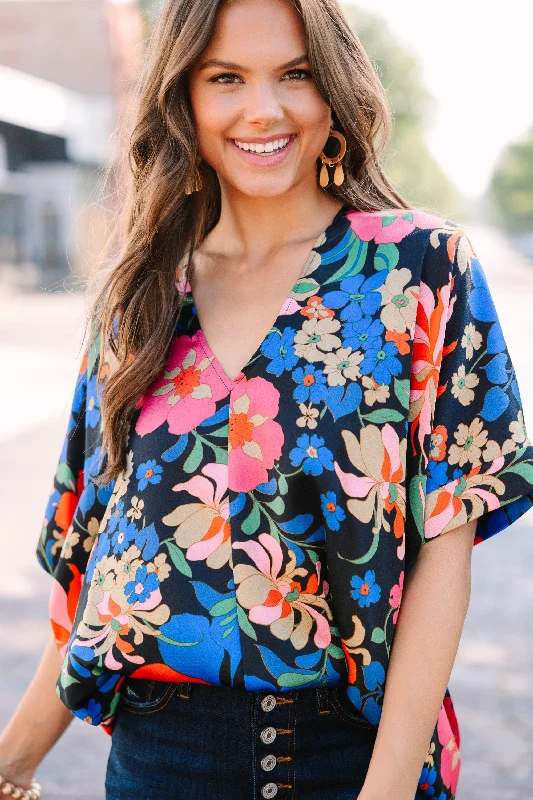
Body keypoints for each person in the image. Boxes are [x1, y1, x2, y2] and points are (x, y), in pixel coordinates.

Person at [2, 0, 533, 798]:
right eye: (226, 78)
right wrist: (11, 763)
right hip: (156, 762)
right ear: (184, 99)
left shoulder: (418, 271)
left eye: (295, 74)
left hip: (344, 757)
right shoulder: (140, 297)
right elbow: (95, 580)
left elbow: (441, 556)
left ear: (334, 91)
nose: (263, 108)